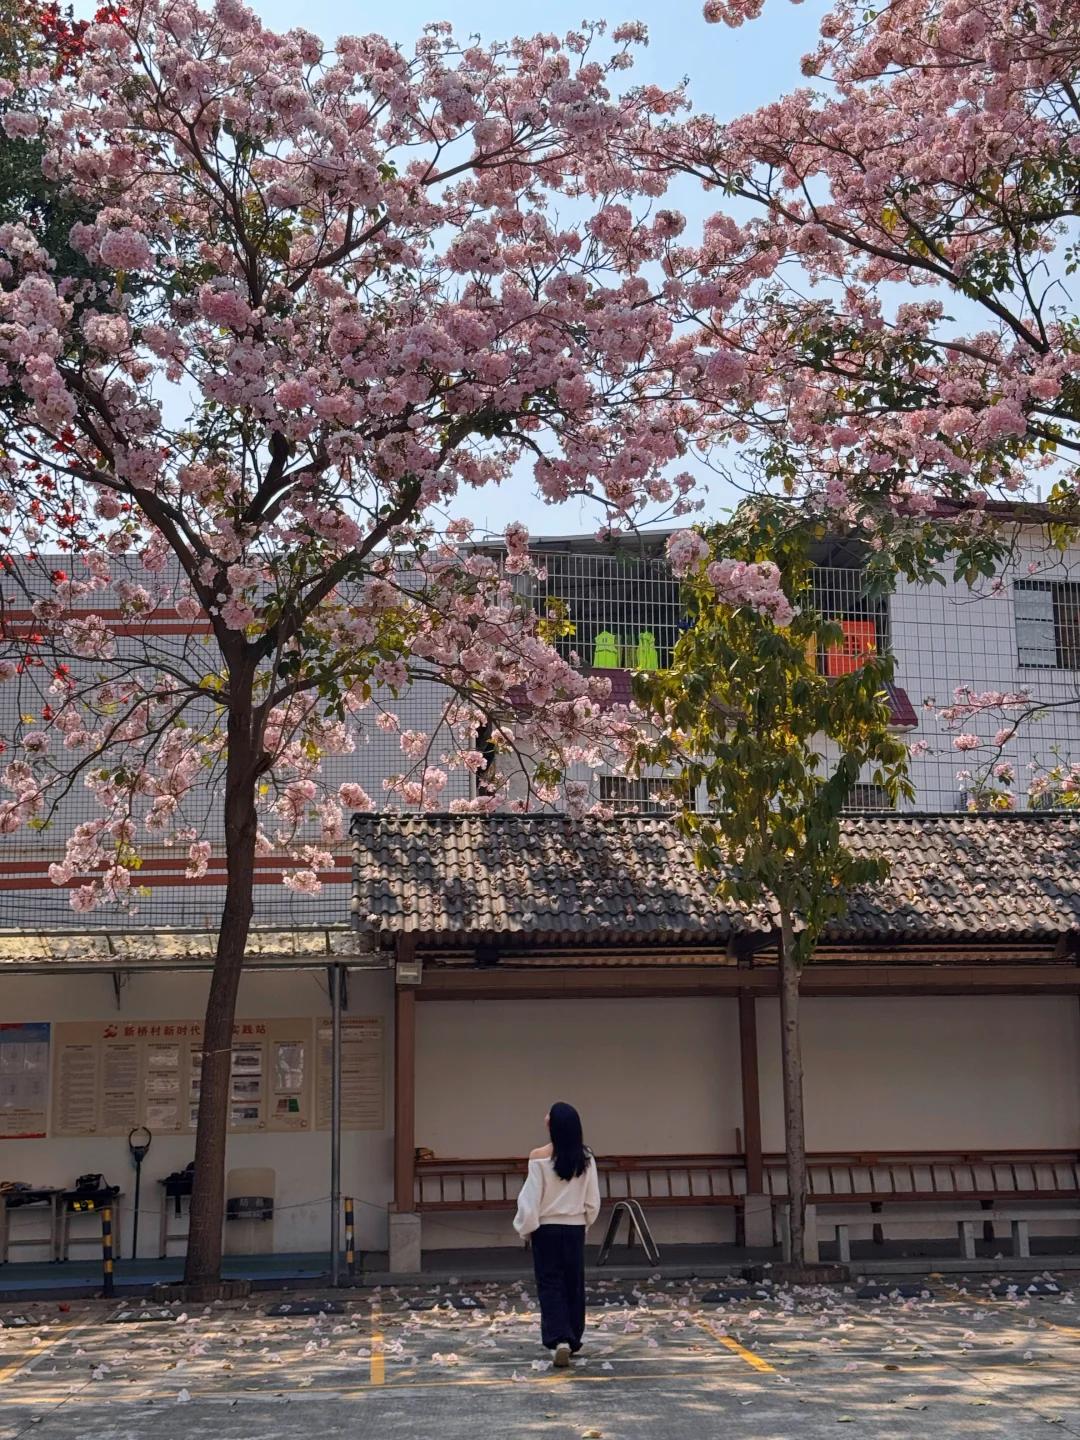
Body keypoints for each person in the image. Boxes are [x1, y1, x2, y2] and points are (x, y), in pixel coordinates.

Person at [513, 1101, 601, 1368]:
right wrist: (584, 1223)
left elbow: (530, 1199)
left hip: (546, 1229)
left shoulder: (538, 1157)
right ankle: (573, 1337)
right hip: (574, 1228)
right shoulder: (586, 1158)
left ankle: (558, 1337)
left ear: (551, 1125)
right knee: (574, 1283)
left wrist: (525, 1228)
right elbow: (593, 1200)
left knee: (550, 1283)